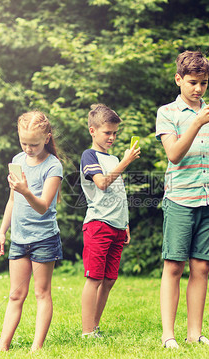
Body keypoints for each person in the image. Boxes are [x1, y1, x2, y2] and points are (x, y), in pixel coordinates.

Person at [155, 50, 209, 348]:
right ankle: (168, 335)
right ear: (179, 80)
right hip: (180, 200)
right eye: (192, 82)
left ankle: (195, 334)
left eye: (204, 82)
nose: (199, 89)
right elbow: (173, 154)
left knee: (201, 267)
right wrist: (197, 121)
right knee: (174, 266)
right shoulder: (168, 113)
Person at [0, 111, 64, 352]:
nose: (28, 148)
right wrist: (3, 232)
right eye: (24, 143)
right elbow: (12, 201)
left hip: (44, 239)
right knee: (15, 295)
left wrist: (25, 190)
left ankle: (37, 347)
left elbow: (44, 206)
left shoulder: (53, 166)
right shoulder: (18, 160)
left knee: (41, 293)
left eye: (34, 144)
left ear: (47, 138)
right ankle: (2, 346)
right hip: (19, 238)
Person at [80, 104, 141, 337]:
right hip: (98, 224)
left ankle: (95, 326)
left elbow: (118, 193)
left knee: (109, 279)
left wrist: (125, 224)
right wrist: (125, 162)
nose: (112, 137)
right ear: (92, 131)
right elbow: (102, 183)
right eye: (108, 132)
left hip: (116, 226)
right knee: (94, 278)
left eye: (115, 133)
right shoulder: (89, 155)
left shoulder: (113, 157)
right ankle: (87, 332)